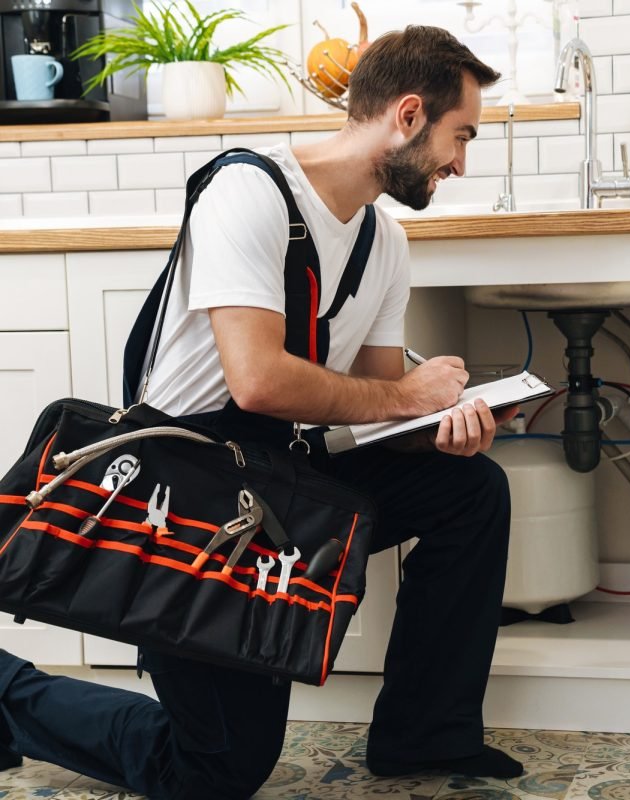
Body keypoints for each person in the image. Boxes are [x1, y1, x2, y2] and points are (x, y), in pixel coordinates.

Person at [0, 25, 523, 799]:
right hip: (191, 488)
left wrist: (447, 424)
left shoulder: (383, 240)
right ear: (408, 115)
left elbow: (379, 398)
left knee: (470, 490)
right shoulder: (247, 191)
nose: (461, 162)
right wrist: (409, 394)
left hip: (284, 471)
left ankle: (423, 734)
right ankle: (8, 694)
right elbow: (256, 381)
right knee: (212, 773)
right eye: (460, 136)